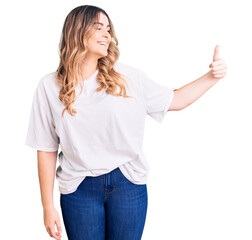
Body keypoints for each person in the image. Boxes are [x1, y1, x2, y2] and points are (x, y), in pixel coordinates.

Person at [25, 4, 227, 240]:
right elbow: (46, 148)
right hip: (79, 189)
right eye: (98, 27)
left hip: (128, 184)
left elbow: (176, 99)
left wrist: (212, 77)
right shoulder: (49, 87)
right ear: (76, 31)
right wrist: (47, 207)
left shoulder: (129, 78)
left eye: (108, 29)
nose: (106, 34)